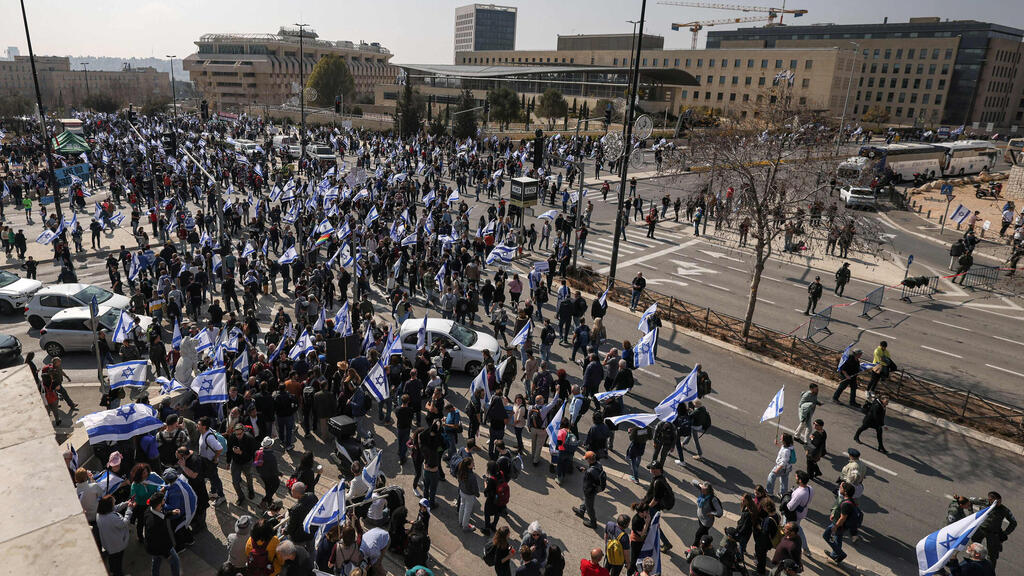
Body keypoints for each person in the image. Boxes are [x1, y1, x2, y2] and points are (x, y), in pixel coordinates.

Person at [968, 491, 1016, 568]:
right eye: (997, 501)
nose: (999, 503)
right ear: (990, 500)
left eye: (1000, 501)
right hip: (980, 530)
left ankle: (990, 571)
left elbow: (1013, 523)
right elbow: (969, 500)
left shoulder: (1004, 510)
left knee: (992, 556)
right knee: (974, 550)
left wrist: (1005, 533)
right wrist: (972, 515)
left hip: (993, 534)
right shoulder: (983, 502)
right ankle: (972, 567)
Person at [144, 491, 182, 576]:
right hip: (162, 548)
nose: (164, 501)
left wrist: (171, 513)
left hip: (153, 548)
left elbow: (161, 514)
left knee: (156, 561)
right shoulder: (155, 523)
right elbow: (159, 540)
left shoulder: (149, 510)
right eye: (163, 500)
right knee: (175, 561)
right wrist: (167, 554)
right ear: (159, 504)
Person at [823, 483, 861, 564]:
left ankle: (840, 554)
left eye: (841, 488)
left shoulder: (846, 504)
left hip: (839, 525)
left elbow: (843, 518)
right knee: (838, 539)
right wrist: (834, 514)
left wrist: (836, 526)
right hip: (842, 525)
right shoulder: (850, 500)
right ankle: (835, 555)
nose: (839, 488)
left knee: (826, 535)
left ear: (846, 492)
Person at [96, 495, 133, 576]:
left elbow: (115, 508)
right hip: (117, 545)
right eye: (113, 503)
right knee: (118, 561)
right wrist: (129, 509)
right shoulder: (112, 517)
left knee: (112, 558)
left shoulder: (99, 514)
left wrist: (126, 503)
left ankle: (113, 570)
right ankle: (118, 574)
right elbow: (124, 523)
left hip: (108, 543)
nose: (114, 504)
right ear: (109, 506)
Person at [642, 462, 674, 553]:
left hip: (653, 508)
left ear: (657, 470)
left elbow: (656, 499)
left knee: (653, 525)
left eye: (652, 469)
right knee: (652, 525)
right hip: (653, 506)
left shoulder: (658, 482)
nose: (650, 470)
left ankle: (666, 543)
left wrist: (647, 508)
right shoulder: (659, 478)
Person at [572, 451, 605, 528]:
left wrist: (585, 490)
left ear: (590, 460)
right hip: (596, 488)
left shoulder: (590, 472)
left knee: (590, 507)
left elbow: (587, 482)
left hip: (590, 490)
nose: (586, 460)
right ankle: (581, 511)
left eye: (587, 459)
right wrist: (586, 470)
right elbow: (594, 473)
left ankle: (593, 522)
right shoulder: (598, 464)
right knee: (586, 500)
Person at [785, 471, 813, 557]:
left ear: (800, 480)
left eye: (796, 477)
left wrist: (788, 497)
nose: (795, 478)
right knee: (798, 529)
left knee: (790, 528)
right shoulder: (810, 488)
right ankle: (805, 548)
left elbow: (790, 507)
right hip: (802, 513)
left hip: (794, 515)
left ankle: (803, 548)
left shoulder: (799, 494)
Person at [689, 479, 723, 547]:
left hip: (706, 522)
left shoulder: (713, 499)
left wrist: (712, 513)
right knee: (704, 533)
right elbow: (693, 481)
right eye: (701, 489)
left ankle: (694, 547)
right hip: (701, 519)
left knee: (698, 534)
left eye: (703, 490)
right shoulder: (703, 493)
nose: (701, 490)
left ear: (708, 491)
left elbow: (720, 512)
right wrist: (700, 485)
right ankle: (707, 545)